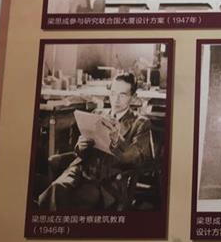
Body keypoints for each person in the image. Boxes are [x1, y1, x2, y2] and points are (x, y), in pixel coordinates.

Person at [38, 74, 152, 211]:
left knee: (74, 200)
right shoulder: (98, 113)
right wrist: (81, 146)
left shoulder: (140, 123)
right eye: (113, 93)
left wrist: (117, 142)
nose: (116, 99)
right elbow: (81, 151)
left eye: (122, 95)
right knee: (56, 190)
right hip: (81, 171)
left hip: (108, 181)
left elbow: (137, 159)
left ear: (133, 97)